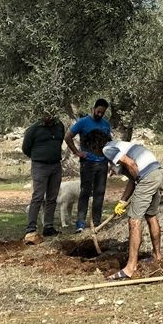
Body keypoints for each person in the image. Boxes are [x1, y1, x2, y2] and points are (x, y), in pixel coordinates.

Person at [102, 137, 163, 280]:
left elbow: (131, 164)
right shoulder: (121, 145)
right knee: (151, 216)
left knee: (134, 220)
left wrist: (140, 180)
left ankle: (130, 268)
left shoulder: (107, 149)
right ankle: (157, 256)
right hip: (158, 173)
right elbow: (132, 177)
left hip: (147, 176)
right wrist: (122, 201)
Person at [64, 99, 112, 232]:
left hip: (102, 163)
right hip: (88, 163)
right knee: (85, 192)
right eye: (98, 111)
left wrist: (111, 162)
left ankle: (97, 223)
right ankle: (80, 224)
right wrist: (77, 152)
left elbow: (109, 144)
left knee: (100, 193)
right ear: (93, 108)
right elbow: (68, 137)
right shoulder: (83, 122)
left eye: (103, 112)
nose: (100, 114)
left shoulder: (106, 125)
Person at [21, 111, 66, 243]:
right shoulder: (34, 129)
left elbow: (60, 141)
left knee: (52, 198)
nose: (48, 116)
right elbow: (26, 148)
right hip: (40, 166)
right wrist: (38, 156)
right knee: (38, 197)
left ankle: (48, 226)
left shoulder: (59, 126)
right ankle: (31, 228)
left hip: (56, 165)